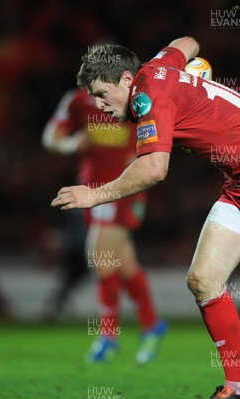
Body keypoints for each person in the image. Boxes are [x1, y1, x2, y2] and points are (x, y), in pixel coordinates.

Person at [51, 37, 240, 399]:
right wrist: (194, 72)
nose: (99, 106)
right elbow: (188, 42)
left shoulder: (149, 97)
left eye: (102, 94)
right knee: (202, 280)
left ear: (127, 80)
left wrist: (94, 194)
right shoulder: (159, 65)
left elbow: (153, 170)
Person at [43, 83, 167, 364]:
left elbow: (163, 132)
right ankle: (151, 325)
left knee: (98, 255)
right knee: (123, 263)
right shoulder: (77, 100)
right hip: (91, 192)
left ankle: (108, 335)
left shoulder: (136, 99)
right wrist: (71, 143)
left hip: (123, 188)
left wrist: (144, 153)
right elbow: (51, 136)